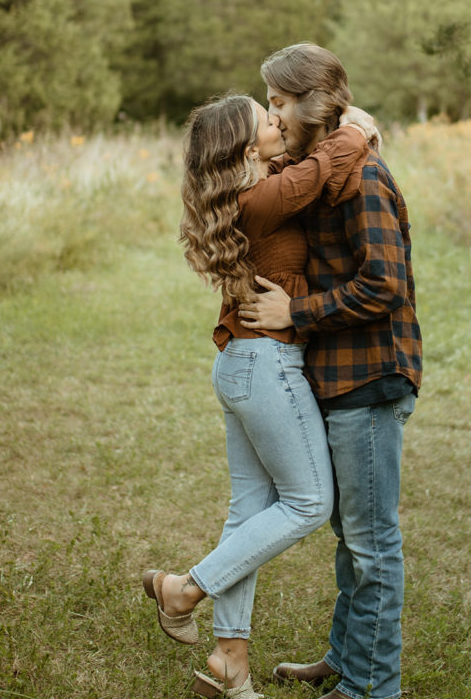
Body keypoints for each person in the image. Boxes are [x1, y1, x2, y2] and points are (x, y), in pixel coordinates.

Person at [143, 92, 373, 699]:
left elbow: (307, 171)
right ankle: (184, 588)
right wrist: (354, 127)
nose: (279, 121)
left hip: (243, 364)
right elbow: (327, 164)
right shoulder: (263, 198)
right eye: (267, 118)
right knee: (309, 502)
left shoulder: (252, 190)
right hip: (266, 364)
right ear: (248, 149)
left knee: (248, 513)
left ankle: (229, 662)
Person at [237, 44, 423, 699]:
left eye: (279, 102)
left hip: (370, 378)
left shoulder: (362, 179)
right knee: (351, 541)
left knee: (371, 547)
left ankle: (371, 688)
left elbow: (385, 284)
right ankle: (346, 660)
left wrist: (299, 309)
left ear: (311, 105)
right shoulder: (323, 170)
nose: (271, 113)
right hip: (340, 379)